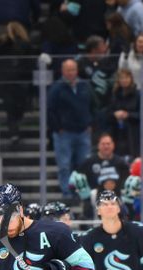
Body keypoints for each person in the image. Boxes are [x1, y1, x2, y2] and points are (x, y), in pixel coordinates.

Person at [48, 59, 95, 199]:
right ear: (63, 71)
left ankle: (83, 193)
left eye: (73, 69)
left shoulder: (85, 85)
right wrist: (58, 127)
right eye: (68, 70)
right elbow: (50, 110)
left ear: (77, 70)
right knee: (64, 165)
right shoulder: (56, 88)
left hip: (83, 132)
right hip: (64, 133)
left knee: (84, 164)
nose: (71, 73)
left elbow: (94, 105)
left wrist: (90, 123)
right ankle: (67, 193)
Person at [0, 22, 34, 147]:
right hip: (21, 81)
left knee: (10, 108)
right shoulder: (26, 45)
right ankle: (15, 129)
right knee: (18, 107)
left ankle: (14, 130)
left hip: (5, 81)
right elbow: (31, 64)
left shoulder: (0, 44)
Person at [68, 133, 130, 218]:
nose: (106, 146)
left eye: (108, 144)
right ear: (98, 146)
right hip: (94, 196)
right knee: (90, 197)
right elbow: (76, 178)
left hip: (118, 195)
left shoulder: (120, 162)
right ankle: (91, 224)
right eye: (103, 144)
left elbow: (127, 179)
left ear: (113, 145)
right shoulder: (89, 161)